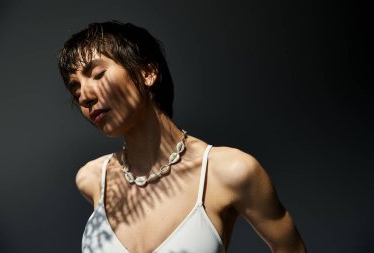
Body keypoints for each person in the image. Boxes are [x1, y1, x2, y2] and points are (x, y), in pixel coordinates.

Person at [58, 21, 307, 253]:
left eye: (98, 74)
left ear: (147, 73)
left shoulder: (228, 171)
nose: (84, 96)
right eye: (75, 88)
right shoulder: (92, 179)